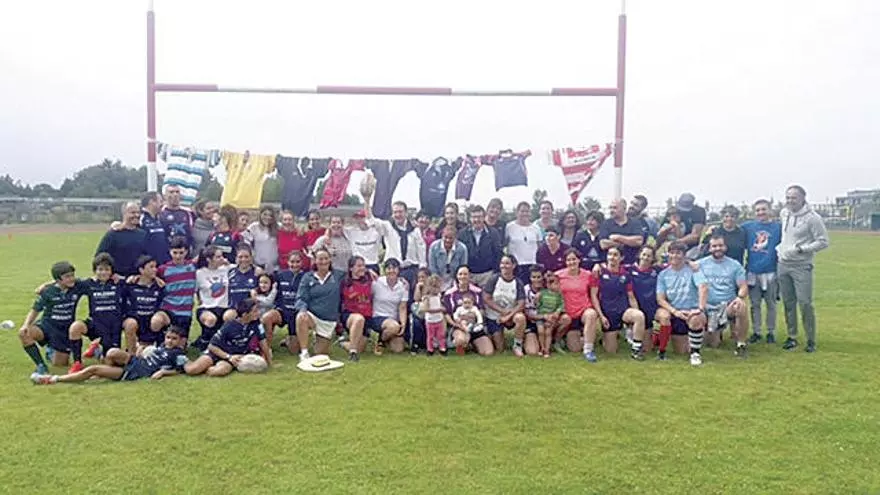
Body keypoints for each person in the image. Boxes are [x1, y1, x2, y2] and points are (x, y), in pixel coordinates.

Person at [31, 327, 189, 385]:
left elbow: (183, 370)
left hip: (137, 372)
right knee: (112, 352)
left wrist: (163, 372)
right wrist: (141, 350)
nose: (169, 341)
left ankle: (52, 379)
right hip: (137, 361)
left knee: (92, 369)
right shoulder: (163, 346)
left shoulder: (178, 354)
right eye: (168, 337)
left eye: (174, 339)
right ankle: (104, 370)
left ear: (181, 341)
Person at [777, 185, 829, 353]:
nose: (790, 201)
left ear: (803, 198)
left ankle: (810, 339)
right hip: (783, 264)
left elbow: (823, 241)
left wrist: (801, 249)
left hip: (801, 266)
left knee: (805, 303)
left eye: (794, 197)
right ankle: (792, 336)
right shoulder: (784, 213)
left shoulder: (813, 218)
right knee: (788, 303)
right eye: (788, 197)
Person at [65, 253, 126, 372]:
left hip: (112, 327)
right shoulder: (89, 284)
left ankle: (97, 348)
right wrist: (47, 285)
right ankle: (77, 363)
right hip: (95, 325)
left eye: (107, 269)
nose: (103, 272)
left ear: (112, 271)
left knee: (110, 362)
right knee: (75, 327)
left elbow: (137, 279)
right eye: (100, 269)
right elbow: (68, 281)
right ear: (94, 271)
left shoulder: (118, 283)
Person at [185, 299, 271, 377]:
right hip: (218, 353)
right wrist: (229, 357)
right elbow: (212, 346)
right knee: (192, 370)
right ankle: (182, 361)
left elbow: (263, 343)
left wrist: (269, 363)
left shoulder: (256, 323)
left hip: (234, 358)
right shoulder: (229, 326)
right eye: (255, 311)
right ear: (245, 314)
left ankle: (211, 368)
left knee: (219, 371)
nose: (258, 313)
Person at [590, 246, 647, 360]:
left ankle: (636, 351)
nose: (612, 257)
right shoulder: (598, 272)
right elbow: (594, 296)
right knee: (611, 351)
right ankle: (605, 338)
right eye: (610, 254)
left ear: (621, 258)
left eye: (615, 255)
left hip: (623, 310)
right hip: (607, 313)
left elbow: (631, 296)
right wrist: (601, 316)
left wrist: (636, 312)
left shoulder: (625, 274)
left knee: (639, 316)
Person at [656, 242, 709, 365]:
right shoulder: (663, 274)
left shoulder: (693, 270)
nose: (675, 256)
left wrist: (700, 308)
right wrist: (675, 312)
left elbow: (703, 287)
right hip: (675, 312)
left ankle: (695, 354)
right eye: (672, 253)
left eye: (678, 253)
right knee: (680, 351)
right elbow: (660, 299)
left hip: (691, 311)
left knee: (696, 318)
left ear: (684, 256)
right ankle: (660, 344)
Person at [698, 234, 749, 356]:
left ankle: (741, 344)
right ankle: (716, 332)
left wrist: (739, 297)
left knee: (741, 306)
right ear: (710, 248)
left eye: (720, 245)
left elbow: (743, 286)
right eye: (714, 246)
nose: (718, 248)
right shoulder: (700, 264)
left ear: (725, 247)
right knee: (713, 344)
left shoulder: (735, 265)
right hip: (707, 308)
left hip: (727, 306)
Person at [294, 248, 346, 361]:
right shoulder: (307, 277)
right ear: (315, 260)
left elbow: (355, 272)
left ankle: (316, 338)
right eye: (320, 259)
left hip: (328, 320)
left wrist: (369, 272)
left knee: (320, 354)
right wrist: (302, 309)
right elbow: (300, 298)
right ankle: (304, 353)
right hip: (312, 316)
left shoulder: (338, 275)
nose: (323, 261)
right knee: (301, 317)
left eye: (326, 258)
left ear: (330, 260)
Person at [364, 199, 426, 294]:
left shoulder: (415, 230)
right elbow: (371, 220)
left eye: (400, 212)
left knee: (410, 299)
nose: (397, 215)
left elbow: (421, 251)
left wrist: (422, 270)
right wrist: (367, 200)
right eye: (395, 212)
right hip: (393, 271)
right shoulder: (387, 226)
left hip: (411, 270)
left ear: (406, 213)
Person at [742, 199, 783, 344]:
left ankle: (771, 331)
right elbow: (731, 230)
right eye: (758, 210)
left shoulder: (778, 227)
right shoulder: (748, 227)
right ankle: (757, 331)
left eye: (763, 209)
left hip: (771, 271)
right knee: (755, 304)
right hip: (753, 271)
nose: (761, 212)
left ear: (770, 210)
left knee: (771, 304)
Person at [153, 236, 197, 348]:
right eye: (175, 252)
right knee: (156, 321)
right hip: (168, 309)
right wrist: (155, 278)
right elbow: (148, 275)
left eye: (181, 253)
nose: (178, 256)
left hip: (185, 313)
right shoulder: (163, 269)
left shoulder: (192, 266)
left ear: (186, 252)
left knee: (179, 348)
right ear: (170, 252)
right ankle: (155, 342)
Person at [555, 249, 598, 357]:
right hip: (568, 314)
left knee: (591, 314)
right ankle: (581, 336)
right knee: (575, 349)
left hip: (583, 311)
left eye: (574, 259)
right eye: (568, 260)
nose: (571, 262)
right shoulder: (558, 275)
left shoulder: (588, 275)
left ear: (579, 260)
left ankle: (588, 349)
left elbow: (594, 293)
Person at [261, 251, 306, 353]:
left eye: (298, 262)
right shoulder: (280, 275)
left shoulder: (306, 277)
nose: (295, 264)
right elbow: (264, 281)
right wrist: (255, 291)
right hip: (282, 311)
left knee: (294, 351)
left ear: (302, 262)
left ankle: (288, 340)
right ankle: (266, 348)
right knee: (266, 318)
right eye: (292, 262)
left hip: (296, 313)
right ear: (287, 262)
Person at [483, 254, 527, 356]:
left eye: (507, 263)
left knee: (520, 318)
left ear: (513, 265)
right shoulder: (494, 279)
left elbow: (521, 304)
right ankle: (491, 336)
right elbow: (486, 298)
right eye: (502, 263)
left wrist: (508, 316)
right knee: (500, 349)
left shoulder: (518, 282)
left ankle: (517, 345)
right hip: (495, 316)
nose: (504, 266)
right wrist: (502, 311)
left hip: (511, 315)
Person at [628, 246, 668, 356]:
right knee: (646, 348)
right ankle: (649, 335)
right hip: (638, 309)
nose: (645, 258)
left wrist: (690, 263)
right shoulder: (629, 270)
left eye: (649, 256)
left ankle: (660, 345)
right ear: (639, 255)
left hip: (653, 308)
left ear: (653, 258)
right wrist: (598, 265)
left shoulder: (657, 270)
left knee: (665, 317)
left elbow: (674, 264)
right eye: (644, 254)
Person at [122, 255, 165, 355]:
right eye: (151, 267)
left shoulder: (159, 286)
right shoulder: (130, 285)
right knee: (130, 323)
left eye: (155, 266)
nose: (155, 269)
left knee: (147, 353)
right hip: (136, 321)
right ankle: (131, 355)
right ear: (141, 270)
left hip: (152, 323)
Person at [443, 266, 490, 356]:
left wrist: (473, 317)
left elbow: (482, 310)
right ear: (456, 276)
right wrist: (456, 324)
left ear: (469, 276)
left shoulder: (477, 292)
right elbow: (447, 314)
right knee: (460, 340)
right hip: (459, 327)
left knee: (488, 352)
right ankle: (463, 343)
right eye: (460, 274)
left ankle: (472, 344)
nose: (463, 276)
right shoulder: (449, 294)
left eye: (465, 274)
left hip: (475, 326)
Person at [193, 245, 230, 350]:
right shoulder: (199, 273)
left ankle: (222, 342)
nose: (222, 259)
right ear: (209, 259)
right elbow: (195, 290)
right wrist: (199, 299)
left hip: (223, 306)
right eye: (218, 257)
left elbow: (243, 266)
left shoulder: (226, 269)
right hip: (207, 307)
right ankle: (204, 342)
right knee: (211, 319)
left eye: (222, 256)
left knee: (230, 317)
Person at [95, 202, 148, 277]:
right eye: (133, 213)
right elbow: (100, 257)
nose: (136, 215)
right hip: (117, 279)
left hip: (137, 279)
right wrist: (111, 274)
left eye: (138, 212)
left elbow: (148, 258)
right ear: (124, 214)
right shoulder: (113, 234)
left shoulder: (143, 235)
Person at [369, 258, 410, 355]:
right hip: (378, 317)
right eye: (388, 268)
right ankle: (380, 341)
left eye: (394, 268)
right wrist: (369, 271)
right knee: (393, 327)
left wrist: (403, 325)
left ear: (398, 270)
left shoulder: (403, 286)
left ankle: (384, 337)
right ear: (384, 270)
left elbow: (402, 307)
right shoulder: (376, 282)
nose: (391, 271)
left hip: (393, 319)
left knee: (398, 349)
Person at [458, 205, 503, 287]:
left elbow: (498, 253)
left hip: (487, 275)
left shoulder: (493, 233)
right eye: (474, 217)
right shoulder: (462, 234)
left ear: (484, 217)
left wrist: (495, 273)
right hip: (469, 275)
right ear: (470, 218)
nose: (476, 220)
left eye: (479, 217)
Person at [340, 256, 374, 362]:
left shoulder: (369, 279)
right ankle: (353, 353)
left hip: (366, 317)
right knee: (358, 319)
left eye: (363, 265)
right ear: (351, 268)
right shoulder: (344, 283)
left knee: (361, 348)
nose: (362, 268)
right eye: (359, 266)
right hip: (350, 315)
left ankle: (344, 343)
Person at [223, 244, 263, 321]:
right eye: (240, 257)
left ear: (251, 258)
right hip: (235, 309)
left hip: (252, 310)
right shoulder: (230, 272)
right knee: (227, 316)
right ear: (236, 258)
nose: (243, 259)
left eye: (246, 257)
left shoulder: (257, 272)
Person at [599, 198, 645, 265]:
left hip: (630, 264)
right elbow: (603, 244)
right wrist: (623, 244)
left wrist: (618, 237)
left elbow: (638, 241)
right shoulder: (606, 224)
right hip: (611, 265)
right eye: (610, 208)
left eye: (615, 208)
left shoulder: (635, 223)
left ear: (624, 209)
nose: (611, 210)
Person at [505, 202, 541, 285]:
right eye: (522, 211)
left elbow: (539, 247)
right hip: (515, 265)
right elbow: (505, 244)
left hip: (532, 265)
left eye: (527, 211)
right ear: (517, 212)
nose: (524, 213)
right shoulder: (509, 227)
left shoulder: (536, 228)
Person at [534, 270, 566, 358]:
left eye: (558, 284)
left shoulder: (559, 295)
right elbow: (537, 305)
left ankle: (547, 350)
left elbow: (561, 305)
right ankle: (542, 348)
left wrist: (557, 312)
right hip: (542, 316)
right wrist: (536, 300)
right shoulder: (542, 293)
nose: (558, 286)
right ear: (548, 285)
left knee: (548, 332)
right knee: (541, 331)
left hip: (552, 317)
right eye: (556, 284)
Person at [428, 225, 469, 289]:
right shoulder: (434, 247)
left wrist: (456, 283)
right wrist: (437, 282)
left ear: (455, 237)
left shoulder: (462, 248)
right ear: (442, 235)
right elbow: (432, 267)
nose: (448, 240)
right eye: (445, 237)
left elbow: (463, 267)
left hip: (455, 280)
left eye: (451, 238)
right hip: (437, 280)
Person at [138, 191, 172, 265]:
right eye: (160, 201)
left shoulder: (159, 219)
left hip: (163, 263)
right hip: (149, 265)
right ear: (152, 202)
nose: (162, 204)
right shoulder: (140, 218)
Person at [243, 206, 279, 273]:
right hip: (258, 265)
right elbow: (245, 240)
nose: (267, 217)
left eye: (270, 215)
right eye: (265, 214)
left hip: (274, 266)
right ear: (260, 215)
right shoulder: (254, 227)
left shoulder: (278, 227)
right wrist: (250, 253)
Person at [345, 210, 383, 274]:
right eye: (357, 218)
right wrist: (327, 234)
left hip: (372, 264)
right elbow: (336, 228)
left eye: (362, 217)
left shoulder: (376, 231)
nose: (360, 220)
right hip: (357, 265)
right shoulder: (351, 231)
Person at [160, 184, 195, 252]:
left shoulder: (189, 213)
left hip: (185, 252)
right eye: (171, 192)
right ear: (164, 196)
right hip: (166, 252)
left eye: (177, 192)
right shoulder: (160, 213)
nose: (175, 194)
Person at [420, 274, 447, 356]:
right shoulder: (427, 298)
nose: (436, 289)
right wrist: (439, 310)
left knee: (441, 335)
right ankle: (430, 349)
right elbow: (426, 309)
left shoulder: (439, 296)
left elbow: (440, 304)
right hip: (430, 321)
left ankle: (442, 348)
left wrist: (442, 308)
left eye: (438, 287)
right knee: (430, 336)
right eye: (434, 287)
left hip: (439, 319)